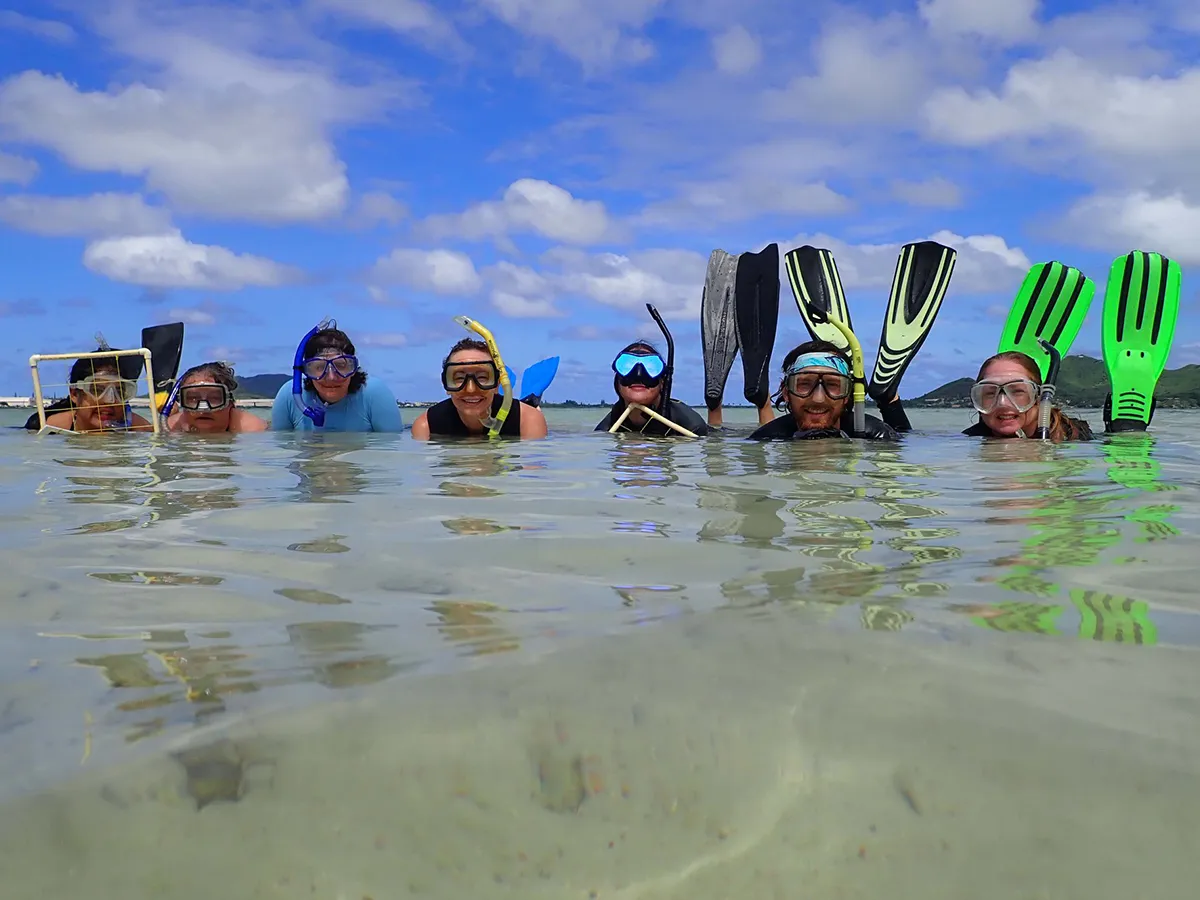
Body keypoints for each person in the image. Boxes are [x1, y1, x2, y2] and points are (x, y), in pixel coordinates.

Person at [748, 341, 899, 441]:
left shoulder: (878, 436)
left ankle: (890, 401)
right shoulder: (767, 438)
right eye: (805, 384)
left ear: (847, 394)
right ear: (786, 392)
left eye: (832, 385)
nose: (818, 399)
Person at [271, 322, 403, 432]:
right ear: (306, 371)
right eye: (319, 367)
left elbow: (391, 454)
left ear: (353, 368)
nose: (331, 377)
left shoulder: (373, 394)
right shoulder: (289, 396)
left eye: (340, 366)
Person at [411, 338, 548, 439]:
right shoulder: (426, 426)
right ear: (446, 384)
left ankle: (530, 400)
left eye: (482, 377)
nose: (470, 389)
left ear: (498, 383)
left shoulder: (527, 420)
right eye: (459, 378)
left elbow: (533, 475)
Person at [963, 351, 1092, 441]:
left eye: (1017, 391)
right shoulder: (969, 440)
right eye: (990, 393)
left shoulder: (1074, 436)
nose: (1002, 403)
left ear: (1039, 396)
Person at [594, 341, 709, 436]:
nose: (638, 373)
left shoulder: (692, 426)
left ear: (662, 382)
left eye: (652, 367)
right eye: (626, 366)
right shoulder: (608, 426)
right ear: (617, 381)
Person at [25, 348, 153, 433]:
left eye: (119, 392)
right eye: (97, 390)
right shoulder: (52, 428)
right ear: (74, 394)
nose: (110, 400)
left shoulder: (139, 428)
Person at [164, 361, 268, 434]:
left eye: (214, 398)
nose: (203, 408)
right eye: (193, 399)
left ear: (230, 403)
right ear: (182, 402)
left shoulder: (252, 429)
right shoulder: (170, 425)